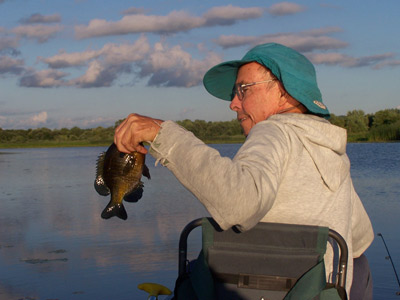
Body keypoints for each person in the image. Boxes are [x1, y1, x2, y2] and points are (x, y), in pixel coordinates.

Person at [114, 43, 374, 299]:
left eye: (243, 89)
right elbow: (360, 239)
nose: (233, 104)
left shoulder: (273, 130)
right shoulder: (331, 150)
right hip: (318, 294)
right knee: (359, 267)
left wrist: (163, 135)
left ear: (285, 93)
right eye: (234, 92)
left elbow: (239, 204)